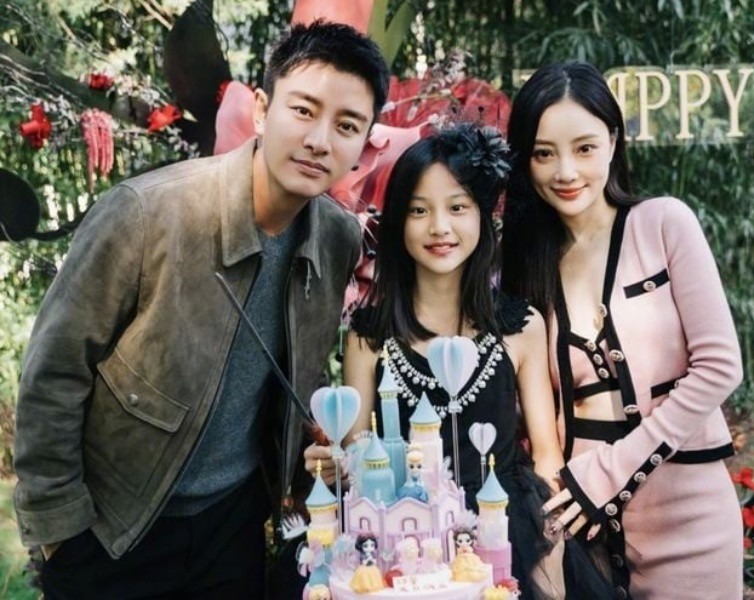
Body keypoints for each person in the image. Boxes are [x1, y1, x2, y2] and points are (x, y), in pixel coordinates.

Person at [13, 20, 389, 598]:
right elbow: (53, 376)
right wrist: (60, 534)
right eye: (303, 110)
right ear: (261, 110)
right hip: (116, 528)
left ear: (363, 142)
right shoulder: (146, 214)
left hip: (231, 528)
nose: (320, 140)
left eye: (346, 125)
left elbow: (299, 368)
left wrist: (305, 458)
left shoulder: (337, 238)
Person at [501, 62, 744, 599]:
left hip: (689, 519)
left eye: (584, 148)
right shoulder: (525, 264)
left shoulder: (664, 223)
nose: (566, 171)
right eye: (544, 154)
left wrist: (606, 475)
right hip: (583, 528)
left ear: (613, 141)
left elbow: (720, 366)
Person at [304, 123, 566, 599]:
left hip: (503, 530)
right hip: (401, 548)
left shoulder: (521, 326)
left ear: (483, 216)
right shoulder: (369, 336)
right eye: (419, 210)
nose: (439, 227)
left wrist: (554, 555)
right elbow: (359, 457)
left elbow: (547, 454)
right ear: (398, 223)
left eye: (457, 208)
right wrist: (331, 464)